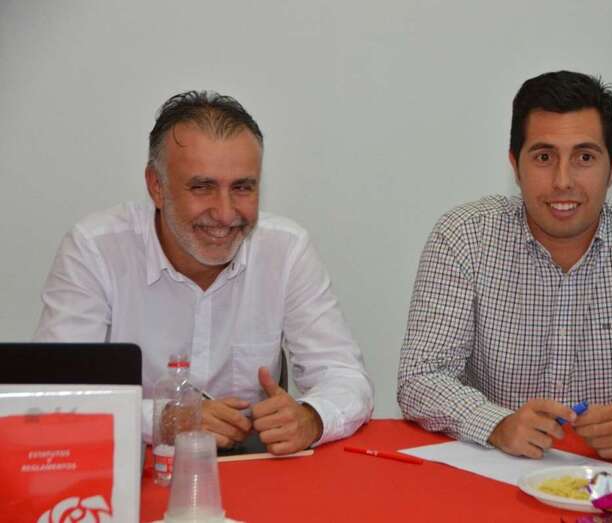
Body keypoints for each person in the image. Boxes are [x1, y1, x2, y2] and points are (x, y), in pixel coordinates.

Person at [397, 71, 612, 460]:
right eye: (544, 157)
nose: (563, 181)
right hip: (495, 467)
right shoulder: (465, 235)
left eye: (584, 157)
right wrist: (496, 424)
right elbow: (420, 376)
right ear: (515, 166)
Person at [34, 91, 373, 454]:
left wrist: (312, 417)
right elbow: (55, 395)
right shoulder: (95, 249)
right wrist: (162, 419)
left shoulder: (286, 249)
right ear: (156, 186)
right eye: (202, 187)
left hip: (250, 473)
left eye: (242, 187)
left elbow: (346, 377)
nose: (226, 214)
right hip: (134, 469)